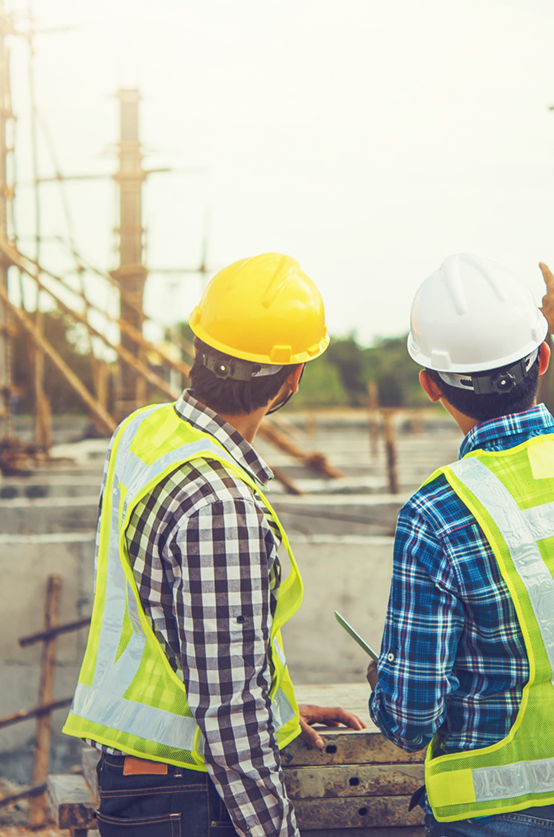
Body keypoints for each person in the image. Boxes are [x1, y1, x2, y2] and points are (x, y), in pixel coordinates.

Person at [64, 252, 364, 837]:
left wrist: (273, 705)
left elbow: (172, 620)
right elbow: (227, 718)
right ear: (292, 377)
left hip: (137, 771)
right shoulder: (222, 504)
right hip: (187, 790)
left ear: (199, 347)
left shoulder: (142, 431)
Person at [369, 254, 554, 837]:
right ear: (544, 359)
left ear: (430, 384)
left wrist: (387, 681)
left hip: (488, 817)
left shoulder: (437, 513)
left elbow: (410, 719)